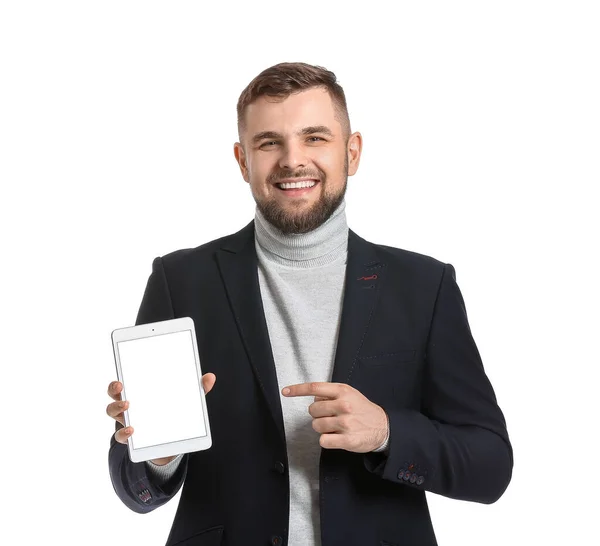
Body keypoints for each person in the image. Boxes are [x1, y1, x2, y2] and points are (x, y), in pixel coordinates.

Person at [106, 62, 513, 546]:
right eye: (268, 142)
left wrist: (386, 432)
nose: (292, 160)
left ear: (352, 152)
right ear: (242, 161)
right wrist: (158, 451)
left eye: (315, 137)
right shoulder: (181, 280)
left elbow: (490, 466)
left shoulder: (424, 286)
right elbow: (138, 495)